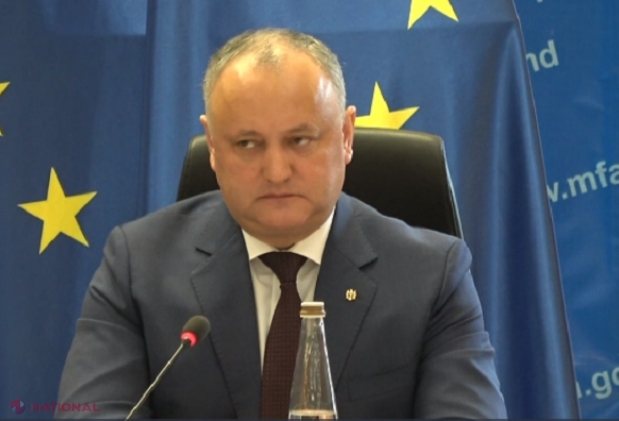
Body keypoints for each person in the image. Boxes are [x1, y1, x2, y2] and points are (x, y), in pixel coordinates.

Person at [57, 28, 507, 419]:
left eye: (300, 140)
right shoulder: (138, 266)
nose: (276, 171)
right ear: (213, 146)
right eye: (247, 144)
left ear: (346, 136)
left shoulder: (431, 277)